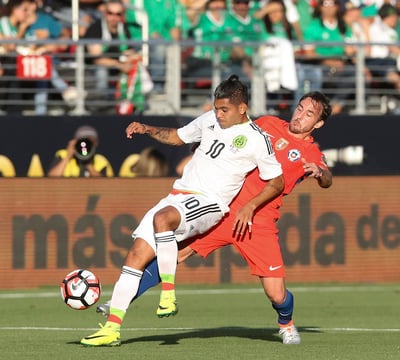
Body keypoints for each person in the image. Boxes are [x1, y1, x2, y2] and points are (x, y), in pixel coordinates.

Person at [95, 90, 333, 346]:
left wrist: (320, 173)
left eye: (309, 114)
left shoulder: (310, 152)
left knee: (276, 294)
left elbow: (327, 180)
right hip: (224, 210)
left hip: (258, 221)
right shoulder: (266, 124)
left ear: (318, 124)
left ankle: (286, 324)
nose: (300, 116)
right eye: (300, 108)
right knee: (173, 254)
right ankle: (121, 299)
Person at [47, 125, 114, 177]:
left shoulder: (101, 161)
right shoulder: (62, 155)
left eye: (89, 142)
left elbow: (105, 186)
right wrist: (68, 157)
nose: (84, 146)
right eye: (82, 142)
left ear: (96, 143)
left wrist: (88, 163)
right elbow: (51, 180)